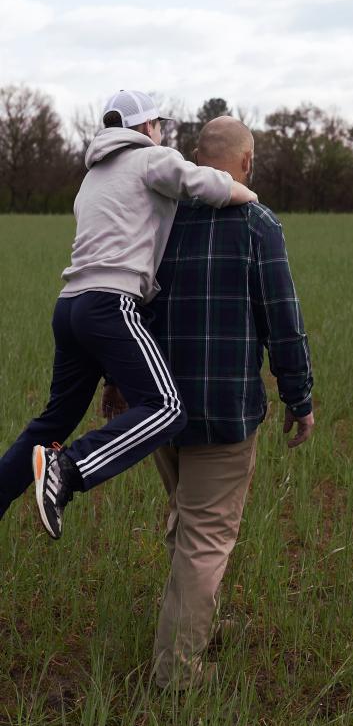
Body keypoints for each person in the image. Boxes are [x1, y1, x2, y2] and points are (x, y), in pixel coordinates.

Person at [104, 116, 314, 689]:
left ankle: (190, 626)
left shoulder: (162, 221)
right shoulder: (257, 223)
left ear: (197, 159)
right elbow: (283, 321)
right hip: (226, 415)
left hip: (159, 410)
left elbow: (125, 305)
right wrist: (300, 397)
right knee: (204, 541)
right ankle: (179, 671)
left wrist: (115, 385)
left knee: (189, 526)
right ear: (246, 163)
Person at [0, 91, 257, 537]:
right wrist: (250, 195)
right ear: (145, 128)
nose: (162, 133)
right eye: (158, 125)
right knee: (167, 407)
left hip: (71, 307)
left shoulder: (92, 179)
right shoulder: (151, 159)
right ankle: (68, 470)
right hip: (110, 303)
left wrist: (112, 376)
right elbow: (209, 183)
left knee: (55, 420)